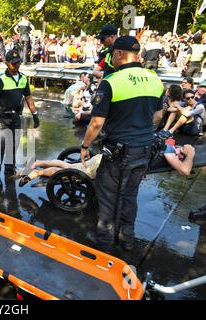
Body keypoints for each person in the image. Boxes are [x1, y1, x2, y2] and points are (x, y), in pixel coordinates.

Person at [80, 36, 164, 252]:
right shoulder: (155, 80)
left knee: (108, 195)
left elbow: (97, 123)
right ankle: (127, 239)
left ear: (119, 54)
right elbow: (157, 117)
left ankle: (104, 241)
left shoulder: (111, 82)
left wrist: (85, 146)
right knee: (129, 195)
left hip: (119, 151)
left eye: (112, 55)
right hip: (144, 149)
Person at [19, 139, 195, 187]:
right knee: (70, 170)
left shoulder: (163, 145)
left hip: (105, 160)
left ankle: (40, 162)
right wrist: (191, 154)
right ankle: (39, 172)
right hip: (105, 165)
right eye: (181, 153)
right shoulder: (169, 151)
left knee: (69, 166)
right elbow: (185, 171)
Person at [0, 49, 39, 177]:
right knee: (0, 146)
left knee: (14, 145)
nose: (16, 65)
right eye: (13, 63)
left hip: (15, 117)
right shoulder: (1, 80)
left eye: (18, 62)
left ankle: (9, 171)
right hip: (1, 118)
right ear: (6, 63)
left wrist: (35, 114)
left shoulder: (23, 78)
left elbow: (28, 97)